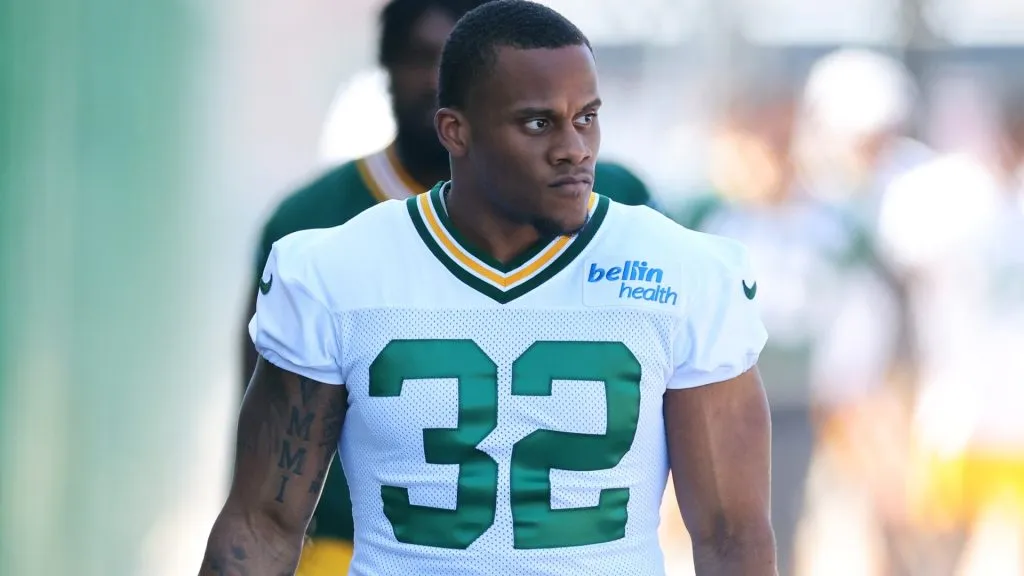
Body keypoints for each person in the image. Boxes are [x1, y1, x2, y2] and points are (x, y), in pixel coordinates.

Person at [206, 1, 775, 574]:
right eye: (538, 122)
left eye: (586, 117)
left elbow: (732, 533)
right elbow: (262, 524)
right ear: (456, 130)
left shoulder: (680, 270)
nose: (574, 148)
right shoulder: (336, 269)